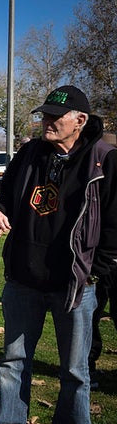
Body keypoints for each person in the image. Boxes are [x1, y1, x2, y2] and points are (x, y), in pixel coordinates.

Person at [0, 86, 117, 424]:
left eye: (55, 117)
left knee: (75, 369)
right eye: (44, 116)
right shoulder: (30, 152)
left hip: (74, 284)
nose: (47, 123)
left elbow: (114, 225)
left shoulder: (104, 159)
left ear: (80, 121)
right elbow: (6, 196)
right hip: (22, 279)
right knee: (13, 360)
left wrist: (95, 271)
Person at [88, 131, 117, 390]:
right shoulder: (100, 172)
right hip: (100, 258)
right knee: (92, 313)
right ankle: (89, 366)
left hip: (105, 258)